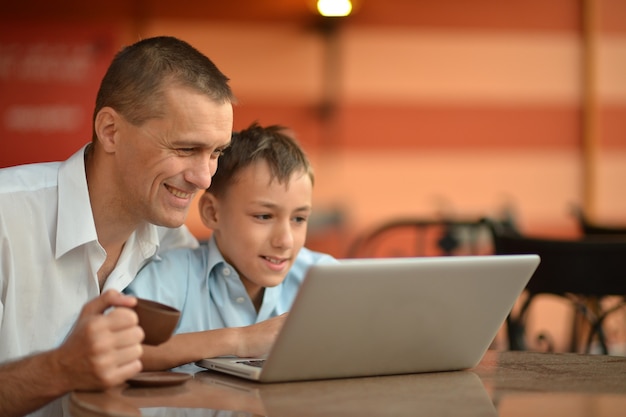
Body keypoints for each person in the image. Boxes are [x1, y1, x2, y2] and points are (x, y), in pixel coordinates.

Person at [0, 36, 234, 417]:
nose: (205, 177)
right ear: (110, 131)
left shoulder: (172, 239)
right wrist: (60, 368)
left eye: (216, 153)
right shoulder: (5, 217)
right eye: (186, 149)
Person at [124, 122, 338, 372]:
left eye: (299, 219)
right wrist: (239, 340)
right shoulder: (171, 277)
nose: (286, 240)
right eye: (264, 216)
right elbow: (120, 354)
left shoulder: (324, 279)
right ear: (213, 213)